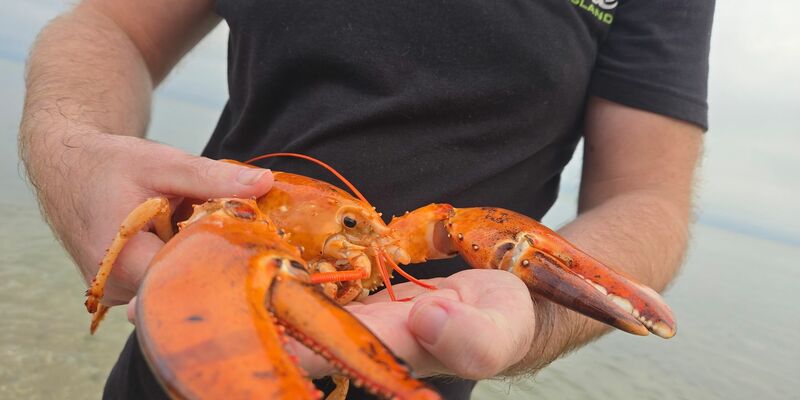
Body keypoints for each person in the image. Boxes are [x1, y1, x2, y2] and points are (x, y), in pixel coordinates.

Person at [19, 0, 714, 399]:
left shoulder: (378, 236)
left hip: (430, 357)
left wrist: (535, 318)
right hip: (188, 338)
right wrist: (72, 147)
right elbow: (114, 24)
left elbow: (644, 192)